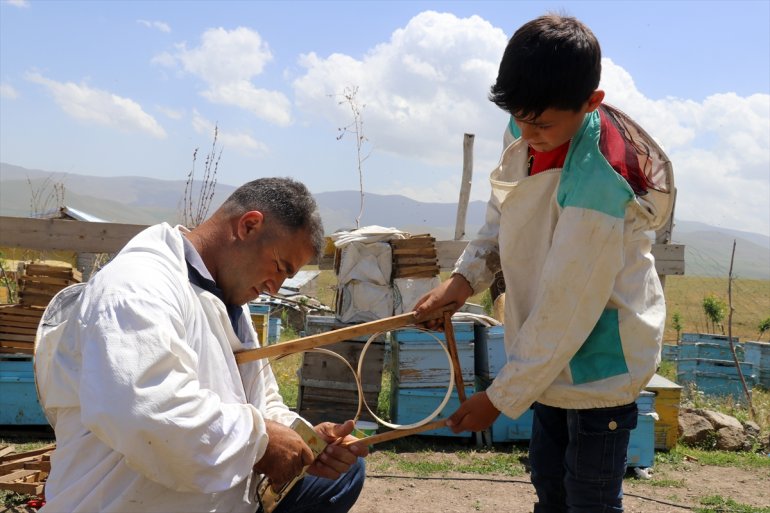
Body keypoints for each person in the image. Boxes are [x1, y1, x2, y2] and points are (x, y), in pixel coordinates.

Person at [414, 14, 673, 513]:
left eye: (542, 124)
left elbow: (568, 303)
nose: (528, 133)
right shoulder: (528, 124)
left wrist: (498, 398)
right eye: (520, 118)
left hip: (601, 365)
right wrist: (463, 279)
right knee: (549, 486)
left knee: (589, 501)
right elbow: (503, 209)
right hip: (546, 359)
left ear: (590, 103)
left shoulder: (600, 179)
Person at [34, 177, 367, 513]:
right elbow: (149, 413)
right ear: (249, 225)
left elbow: (258, 397)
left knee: (346, 474)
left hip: (215, 498)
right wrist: (261, 443)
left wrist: (303, 439)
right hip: (125, 503)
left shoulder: (227, 297)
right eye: (280, 267)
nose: (276, 288)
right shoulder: (138, 286)